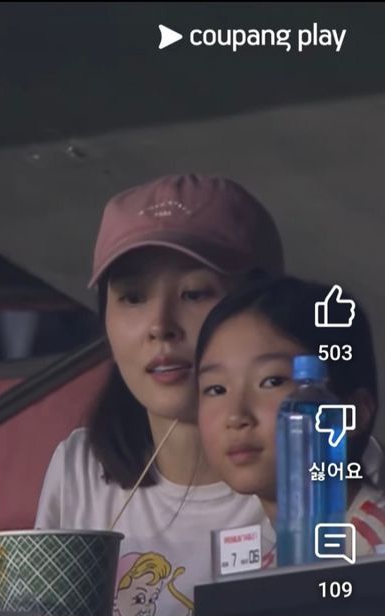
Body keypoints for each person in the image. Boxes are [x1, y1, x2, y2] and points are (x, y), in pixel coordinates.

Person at [35, 173, 285, 615]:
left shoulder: (326, 475)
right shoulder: (80, 471)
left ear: (265, 309)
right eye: (133, 297)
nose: (160, 325)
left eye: (194, 293)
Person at [196, 276, 385, 566]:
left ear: (353, 412)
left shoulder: (374, 549)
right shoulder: (267, 561)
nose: (236, 416)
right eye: (216, 389)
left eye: (272, 381)